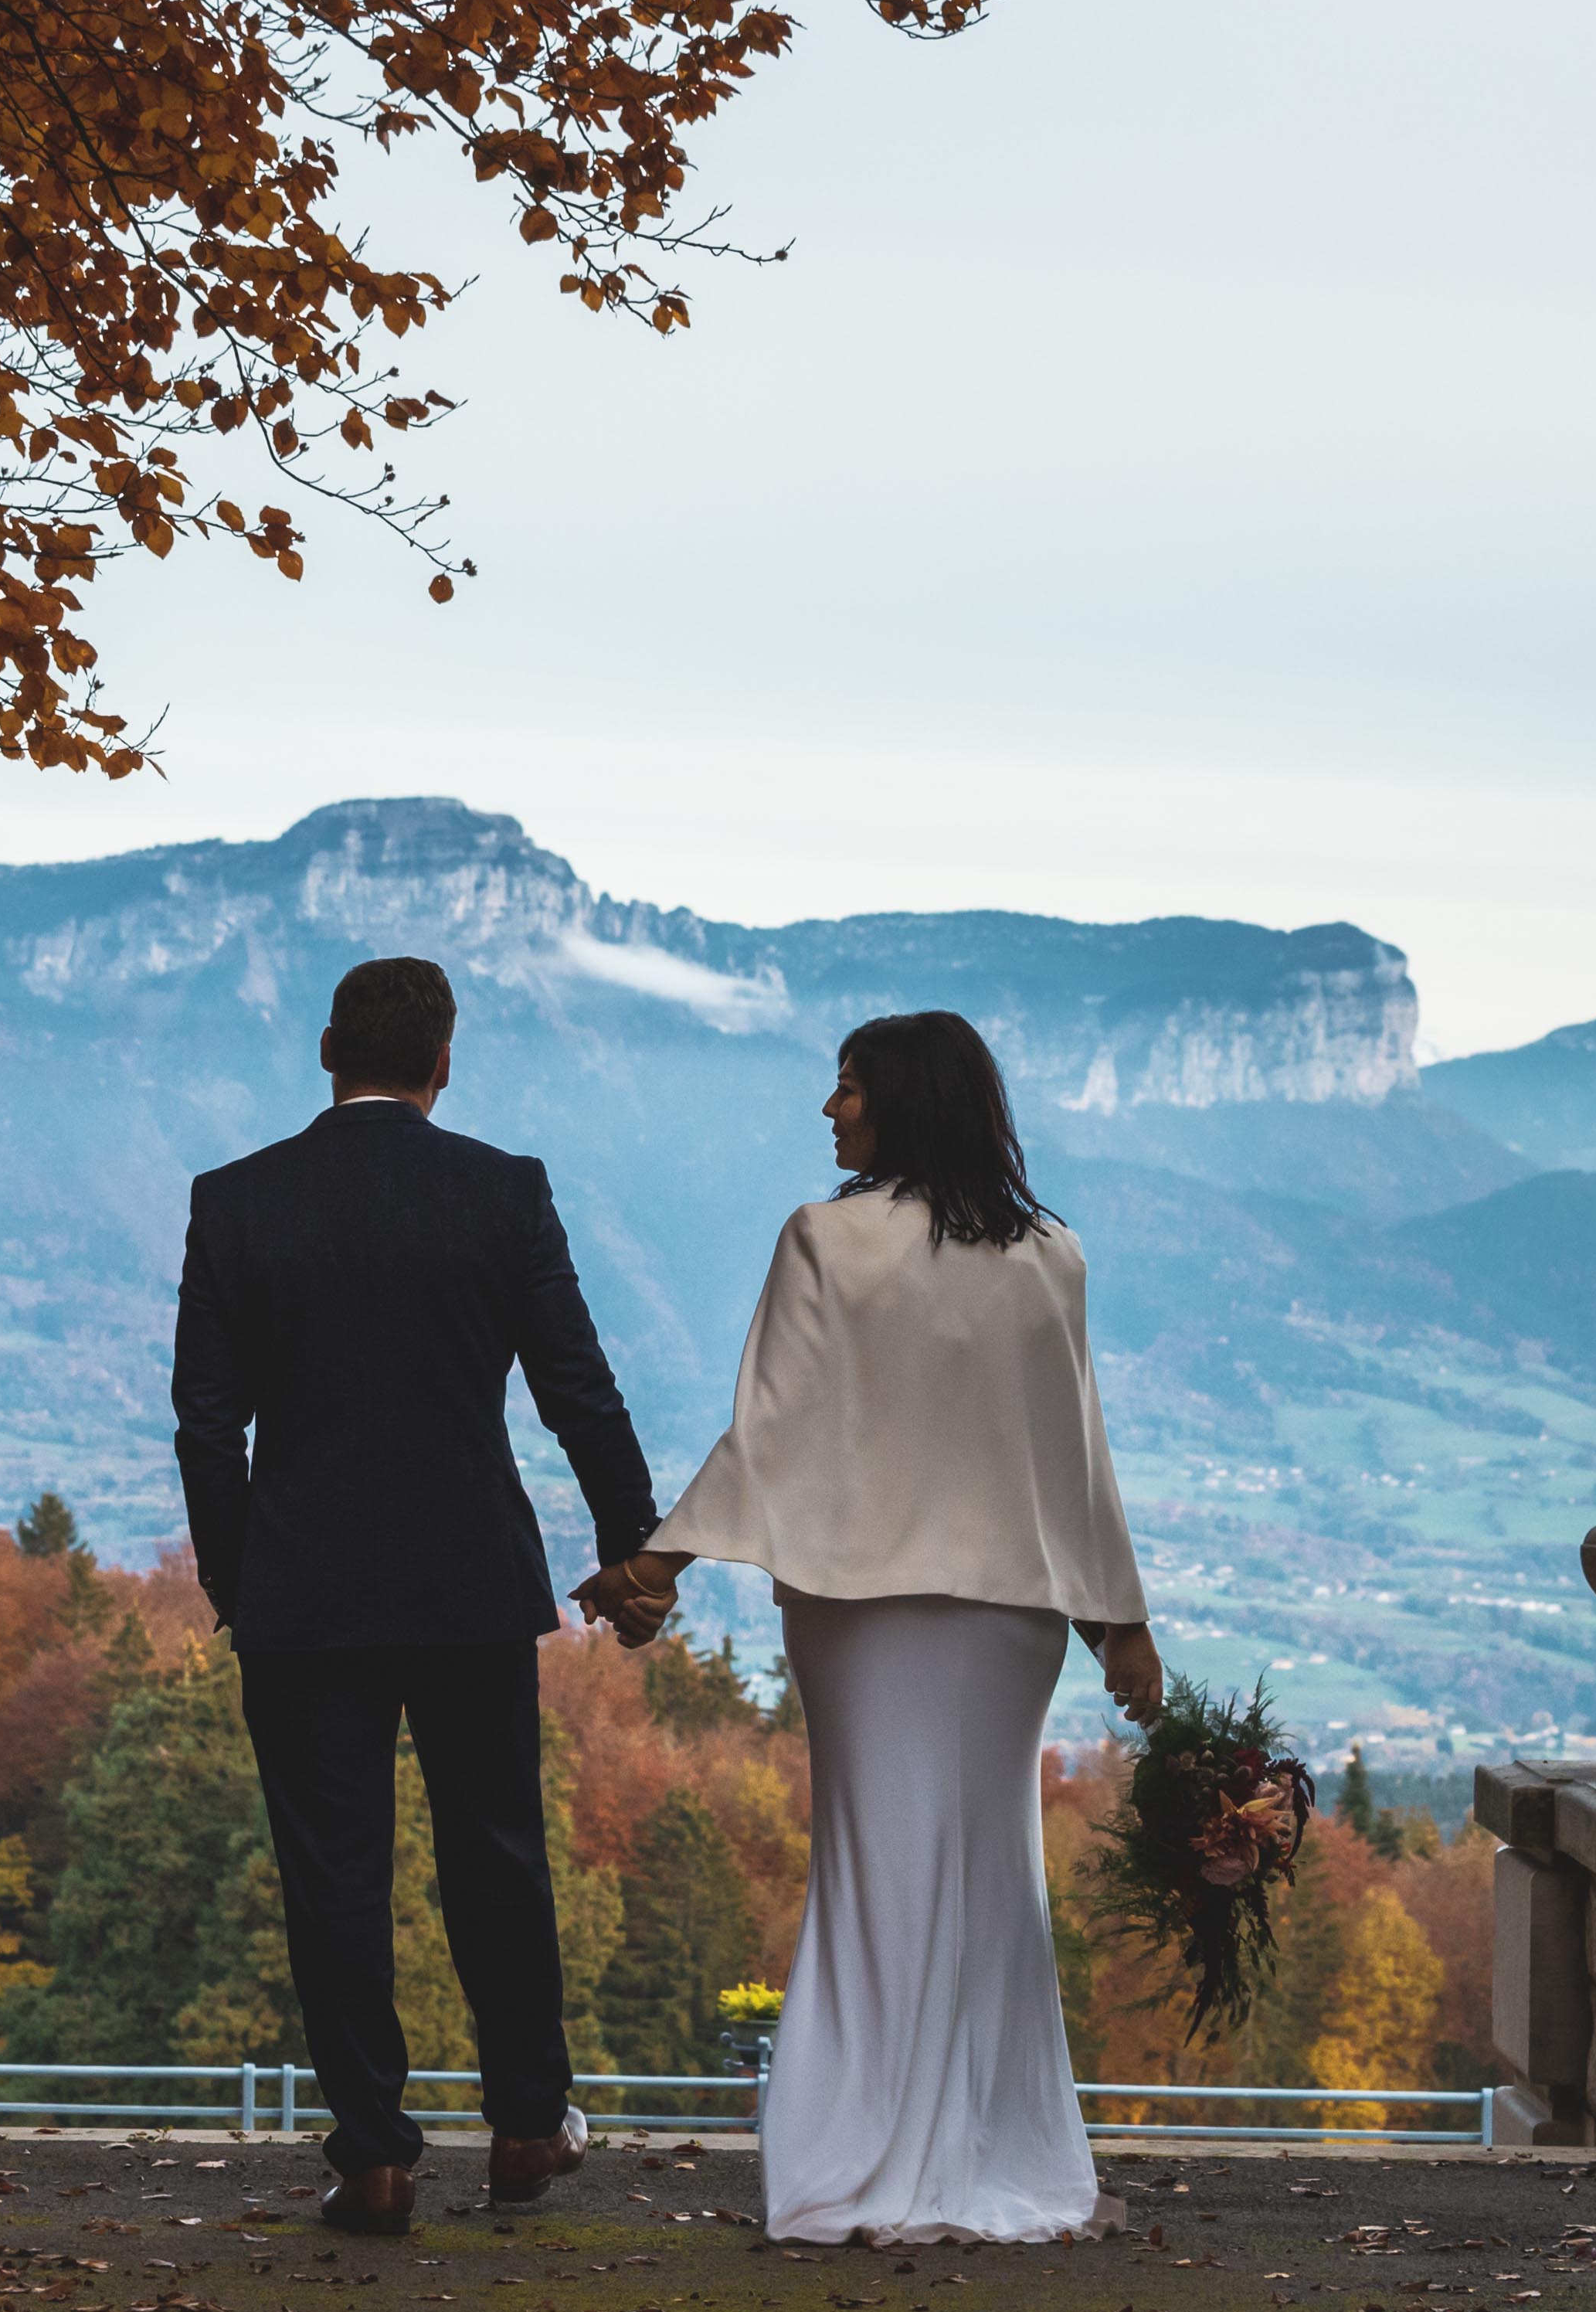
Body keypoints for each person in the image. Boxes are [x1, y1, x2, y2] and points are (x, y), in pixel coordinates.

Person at [577, 1008, 1163, 2246]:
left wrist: (656, 1563)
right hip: (1013, 1617)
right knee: (996, 1878)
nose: (829, 1111)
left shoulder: (825, 1243)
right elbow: (1081, 1457)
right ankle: (996, 2152)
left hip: (858, 1607)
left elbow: (771, 1435)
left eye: (846, 1089)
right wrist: (1121, 1625)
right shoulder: (1053, 1256)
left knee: (872, 1869)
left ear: (900, 1100)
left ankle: (853, 2158)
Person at [172, 955, 661, 2235]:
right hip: (468, 1585)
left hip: (303, 1590)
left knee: (333, 1870)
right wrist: (636, 1545)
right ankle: (522, 2130)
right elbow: (577, 1386)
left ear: (326, 1050)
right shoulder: (502, 1193)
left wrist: (239, 1580)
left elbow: (206, 1426)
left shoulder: (234, 1204)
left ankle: (376, 2155)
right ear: (446, 1065)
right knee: (496, 1853)